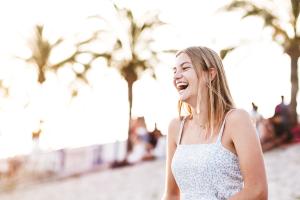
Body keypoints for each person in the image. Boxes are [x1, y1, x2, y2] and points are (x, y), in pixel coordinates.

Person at [162, 46, 267, 199]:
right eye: (174, 71)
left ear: (210, 74)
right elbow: (171, 195)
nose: (176, 76)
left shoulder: (236, 120)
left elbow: (257, 191)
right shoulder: (176, 127)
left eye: (185, 68)